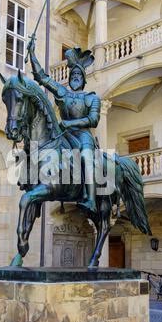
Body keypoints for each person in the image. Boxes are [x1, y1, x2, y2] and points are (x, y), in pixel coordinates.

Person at [28, 38, 101, 214]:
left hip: (83, 135)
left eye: (79, 76)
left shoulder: (92, 98)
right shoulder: (63, 93)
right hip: (63, 135)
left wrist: (69, 123)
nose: (75, 77)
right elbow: (42, 77)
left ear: (83, 79)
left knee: (85, 157)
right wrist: (32, 54)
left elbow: (93, 120)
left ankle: (90, 199)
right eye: (73, 75)